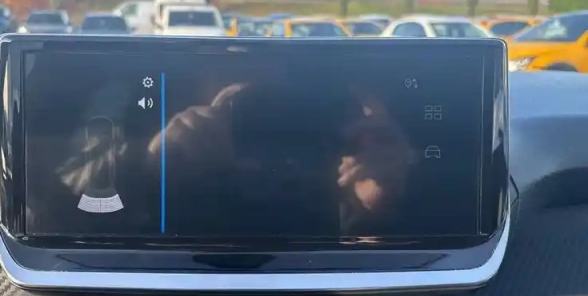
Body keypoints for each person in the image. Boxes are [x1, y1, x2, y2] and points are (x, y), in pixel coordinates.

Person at [148, 80, 417, 237]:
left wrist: (381, 206)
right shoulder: (189, 168)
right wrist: (157, 165)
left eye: (302, 121)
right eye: (245, 114)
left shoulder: (352, 177)